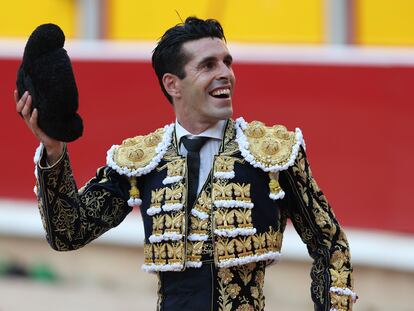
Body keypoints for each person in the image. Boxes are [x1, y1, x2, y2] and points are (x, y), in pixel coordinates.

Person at [15, 17, 356, 311]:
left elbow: (330, 243)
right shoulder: (143, 160)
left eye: (227, 62)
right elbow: (69, 233)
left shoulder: (271, 154)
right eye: (208, 65)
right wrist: (54, 149)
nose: (225, 74)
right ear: (172, 84)